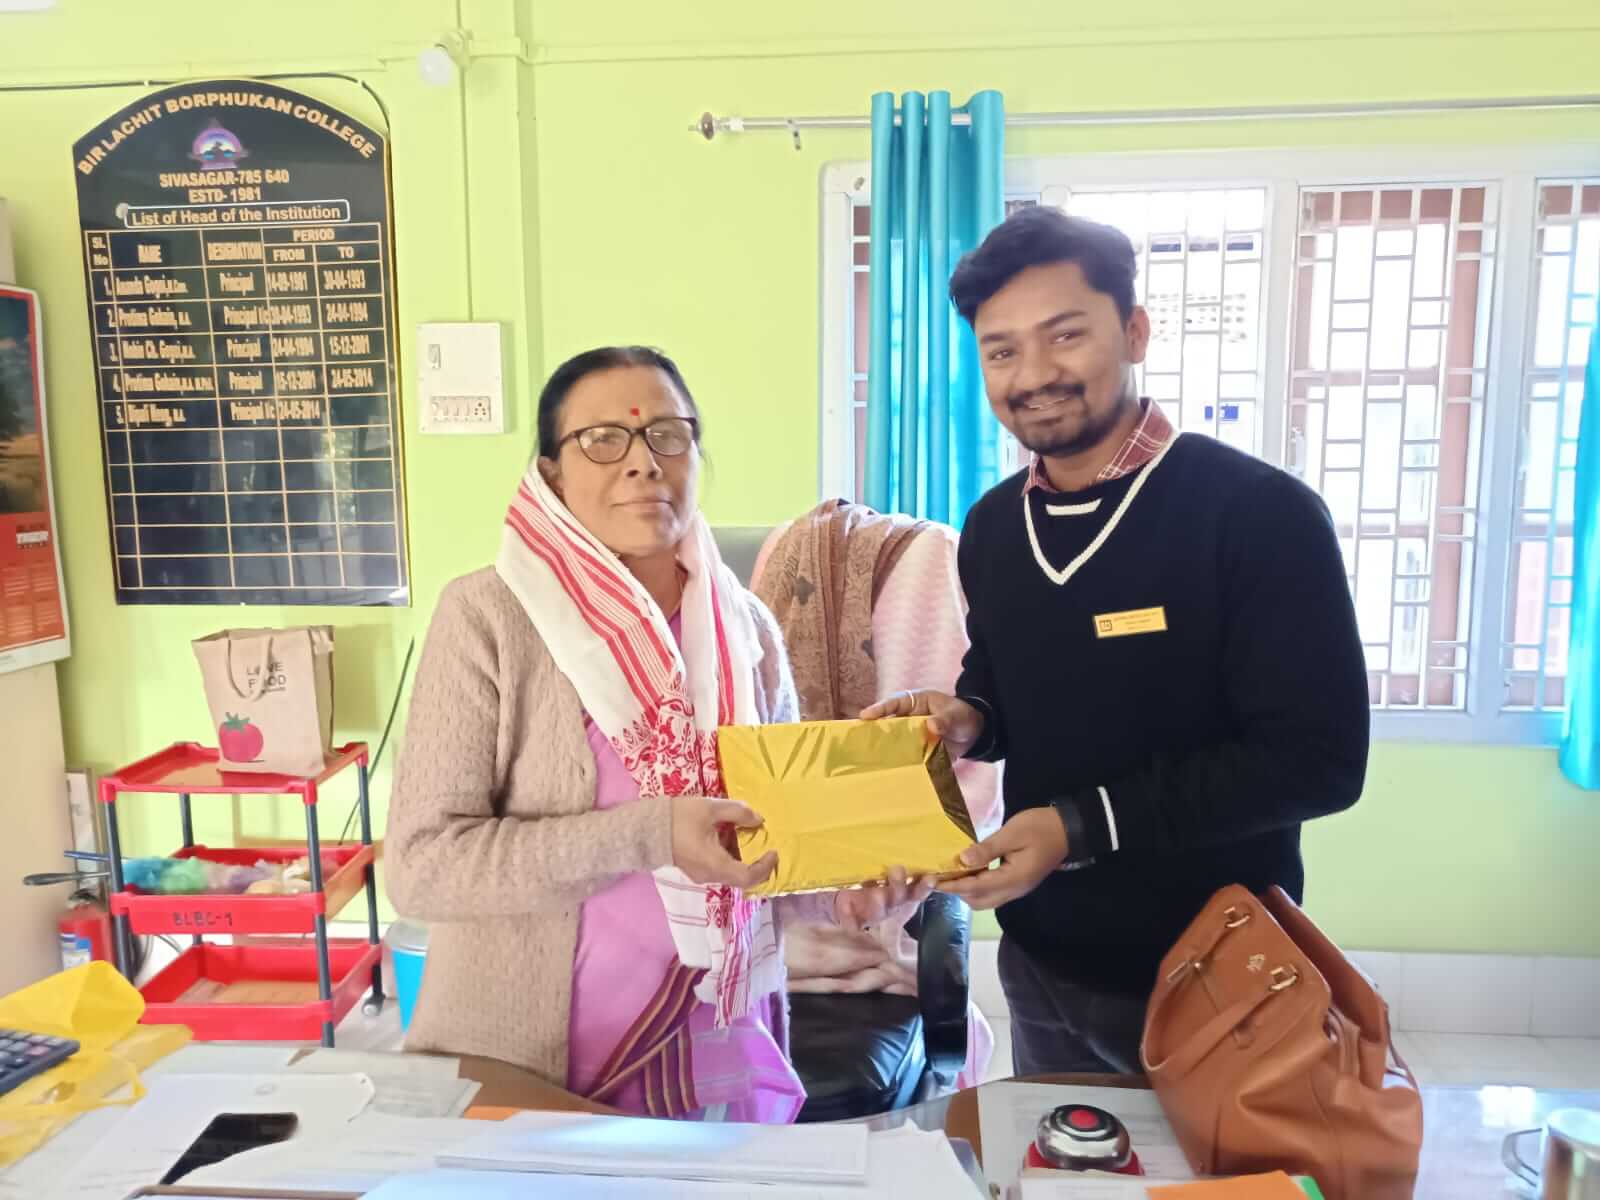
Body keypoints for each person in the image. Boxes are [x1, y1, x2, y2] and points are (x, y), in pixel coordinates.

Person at [865, 208, 1370, 1076]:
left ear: (1134, 331)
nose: (1034, 375)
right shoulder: (993, 527)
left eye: (1066, 336)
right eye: (1001, 351)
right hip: (1041, 960)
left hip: (1217, 976)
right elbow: (1010, 679)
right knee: (1060, 1153)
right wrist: (969, 718)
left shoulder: (1258, 515)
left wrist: (1077, 827)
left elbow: (1319, 762)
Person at [387, 347, 912, 1121]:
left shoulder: (747, 632)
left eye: (668, 434)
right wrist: (653, 833)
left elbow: (767, 852)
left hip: (714, 1050)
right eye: (603, 439)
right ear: (551, 474)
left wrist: (841, 896)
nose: (642, 461)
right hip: (533, 1073)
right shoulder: (488, 618)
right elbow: (423, 869)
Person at [750, 501, 1003, 1088]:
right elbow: (974, 805)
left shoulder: (942, 559)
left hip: (777, 940)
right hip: (744, 945)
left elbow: (963, 780)